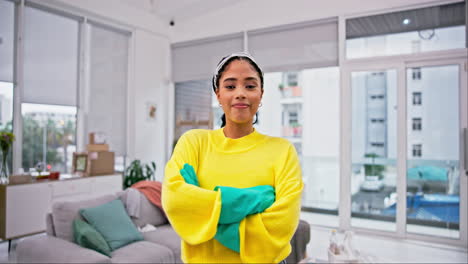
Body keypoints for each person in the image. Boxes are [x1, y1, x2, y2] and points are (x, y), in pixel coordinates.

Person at [162, 52, 304, 263]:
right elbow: (176, 201)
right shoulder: (194, 142)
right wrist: (254, 199)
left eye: (250, 86)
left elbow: (283, 224)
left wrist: (205, 213)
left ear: (261, 94)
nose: (240, 93)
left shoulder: (282, 150)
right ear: (218, 94)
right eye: (230, 86)